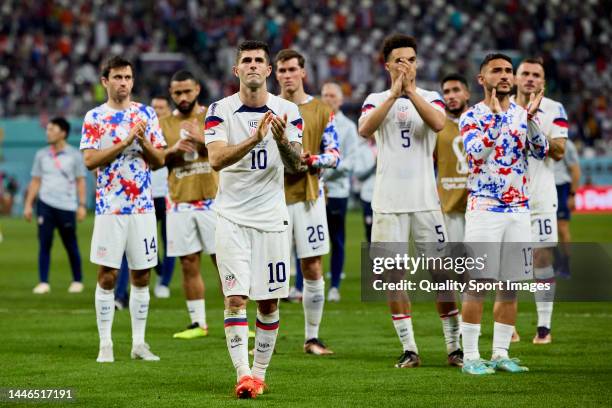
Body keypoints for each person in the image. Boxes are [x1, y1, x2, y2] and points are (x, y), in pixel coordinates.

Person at [205, 40, 304, 398]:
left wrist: (279, 141)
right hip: (231, 218)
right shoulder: (219, 110)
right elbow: (215, 160)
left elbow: (296, 166)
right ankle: (243, 374)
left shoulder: (288, 110)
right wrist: (254, 138)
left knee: (269, 303)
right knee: (235, 299)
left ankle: (260, 374)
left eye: (258, 61)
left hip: (272, 220)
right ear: (237, 71)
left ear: (268, 70)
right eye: (245, 60)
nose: (251, 66)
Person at [359, 33, 459, 369]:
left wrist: (411, 92)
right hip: (388, 203)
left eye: (412, 60)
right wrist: (394, 94)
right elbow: (364, 129)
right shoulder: (375, 99)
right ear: (387, 64)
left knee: (442, 276)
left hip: (426, 202)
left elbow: (438, 123)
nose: (407, 65)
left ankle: (454, 347)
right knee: (394, 278)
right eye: (400, 60)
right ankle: (410, 349)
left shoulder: (431, 97)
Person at [459, 53, 548, 375]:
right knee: (478, 284)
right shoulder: (472, 116)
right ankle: (470, 356)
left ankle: (500, 353)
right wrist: (499, 121)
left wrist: (532, 120)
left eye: (508, 70)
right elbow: (475, 153)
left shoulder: (522, 115)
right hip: (484, 209)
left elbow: (541, 151)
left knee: (510, 285)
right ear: (482, 79)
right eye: (496, 70)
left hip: (519, 210)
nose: (505, 75)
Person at [80, 56, 166, 363]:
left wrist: (142, 142)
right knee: (108, 275)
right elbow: (89, 160)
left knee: (142, 275)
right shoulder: (95, 117)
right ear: (105, 81)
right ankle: (106, 344)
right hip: (109, 208)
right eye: (117, 77)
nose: (124, 83)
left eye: (128, 77)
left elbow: (160, 161)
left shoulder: (145, 114)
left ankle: (139, 344)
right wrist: (125, 141)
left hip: (142, 208)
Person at [275, 49, 340, 355]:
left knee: (312, 267)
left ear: (303, 72)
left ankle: (312, 338)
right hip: (272, 200)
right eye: (281, 70)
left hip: (308, 198)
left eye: (292, 69)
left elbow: (335, 155)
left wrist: (313, 159)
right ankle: (267, 339)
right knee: (270, 272)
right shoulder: (267, 109)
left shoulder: (322, 110)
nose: (287, 75)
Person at [514, 57, 568, 345]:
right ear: (515, 78)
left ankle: (543, 328)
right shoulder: (503, 108)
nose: (530, 79)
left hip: (541, 197)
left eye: (536, 75)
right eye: (525, 73)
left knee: (542, 260)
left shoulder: (554, 109)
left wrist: (533, 124)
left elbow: (559, 150)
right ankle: (506, 324)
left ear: (543, 82)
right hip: (508, 199)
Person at [162, 70, 218, 339]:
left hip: (213, 200)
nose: (183, 97)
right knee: (188, 262)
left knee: (226, 262)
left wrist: (201, 140)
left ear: (197, 89)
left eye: (187, 91)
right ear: (171, 94)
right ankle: (198, 323)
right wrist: (172, 150)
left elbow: (228, 150)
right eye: (177, 93)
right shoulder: (163, 124)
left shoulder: (213, 115)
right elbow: (155, 159)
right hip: (180, 201)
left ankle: (239, 319)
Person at [115, 96, 175, 308]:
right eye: (155, 107)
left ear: (169, 109)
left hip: (168, 194)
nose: (157, 110)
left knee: (169, 242)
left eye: (161, 107)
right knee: (138, 244)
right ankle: (123, 292)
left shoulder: (173, 130)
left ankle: (164, 283)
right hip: (144, 196)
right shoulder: (141, 127)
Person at [24, 117, 87, 294]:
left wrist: (82, 205)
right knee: (44, 244)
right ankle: (43, 282)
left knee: (71, 244)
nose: (48, 132)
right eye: (48, 129)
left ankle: (77, 280)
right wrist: (28, 205)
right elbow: (35, 181)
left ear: (63, 133)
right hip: (45, 205)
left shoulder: (74, 155)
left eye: (52, 129)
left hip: (67, 206)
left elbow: (81, 181)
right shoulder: (41, 154)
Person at [433, 73, 472, 364]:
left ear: (468, 92)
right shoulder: (438, 127)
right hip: (448, 212)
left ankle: (484, 337)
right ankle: (456, 342)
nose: (451, 95)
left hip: (479, 210)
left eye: (456, 89)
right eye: (446, 91)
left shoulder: (481, 120)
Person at [320, 81, 358, 302]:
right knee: (305, 237)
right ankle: (300, 286)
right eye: (325, 95)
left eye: (333, 95)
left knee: (337, 239)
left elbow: (350, 161)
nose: (328, 99)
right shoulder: (314, 120)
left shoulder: (348, 127)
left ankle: (334, 286)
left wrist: (324, 169)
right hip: (314, 190)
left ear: (341, 100)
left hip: (336, 191)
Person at [554, 138, 580, 278]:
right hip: (545, 188)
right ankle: (557, 261)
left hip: (561, 188)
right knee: (545, 229)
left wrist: (572, 195)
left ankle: (566, 264)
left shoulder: (567, 145)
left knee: (562, 228)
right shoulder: (538, 139)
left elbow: (575, 170)